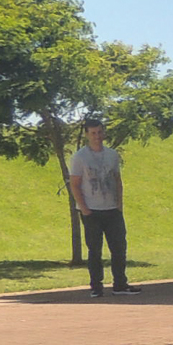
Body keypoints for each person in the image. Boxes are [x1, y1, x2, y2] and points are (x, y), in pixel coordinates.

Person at [67, 116, 138, 297]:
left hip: (112, 209)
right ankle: (96, 287)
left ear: (103, 132)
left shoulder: (112, 155)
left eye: (99, 132)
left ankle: (120, 284)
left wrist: (119, 205)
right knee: (94, 250)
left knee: (119, 247)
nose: (97, 136)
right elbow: (74, 184)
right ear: (87, 135)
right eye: (93, 133)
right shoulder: (80, 157)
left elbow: (117, 180)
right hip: (91, 210)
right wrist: (84, 209)